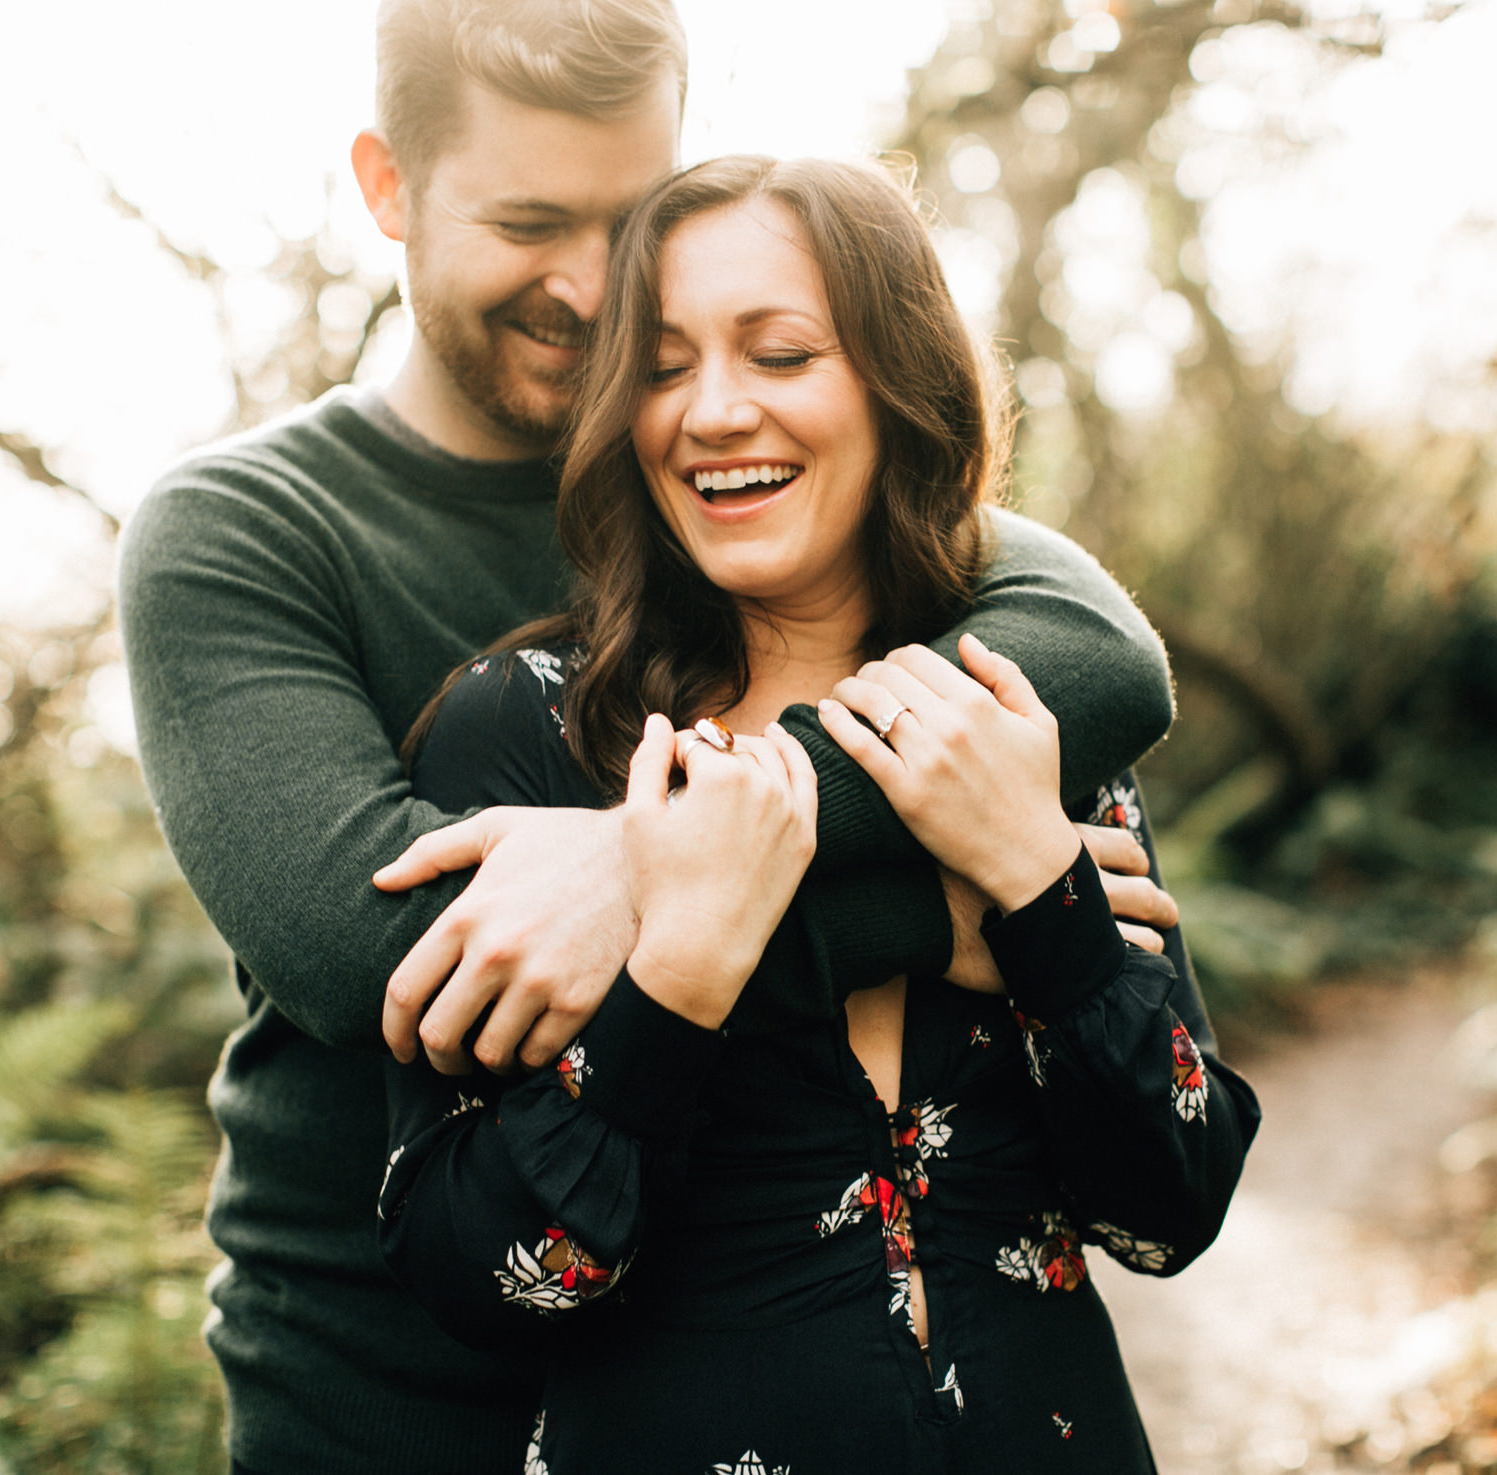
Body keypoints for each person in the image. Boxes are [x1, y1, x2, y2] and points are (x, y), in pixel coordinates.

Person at [117, 2, 1189, 1471]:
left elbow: (1102, 661)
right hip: (387, 1396)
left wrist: (657, 856)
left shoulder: (753, 486)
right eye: (528, 221)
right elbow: (393, 958)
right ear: (387, 188)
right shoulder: (247, 529)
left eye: (628, 224)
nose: (586, 285)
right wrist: (956, 905)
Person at [377, 155, 1259, 1474]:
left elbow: (1168, 1210)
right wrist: (675, 976)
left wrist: (1035, 885)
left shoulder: (1013, 721)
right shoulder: (530, 736)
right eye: (664, 368)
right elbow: (473, 1283)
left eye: (781, 354)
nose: (713, 411)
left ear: (896, 386)